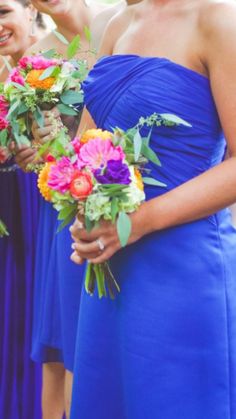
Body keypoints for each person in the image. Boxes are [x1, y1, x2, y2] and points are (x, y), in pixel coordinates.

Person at [70, 0, 236, 417]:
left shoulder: (217, 18)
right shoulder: (116, 24)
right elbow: (87, 146)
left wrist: (138, 222)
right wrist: (79, 203)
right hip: (110, 270)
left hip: (182, 270)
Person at [15, 1, 128, 417]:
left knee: (102, 334)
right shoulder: (39, 53)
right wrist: (33, 149)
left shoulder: (116, 23)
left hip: (119, 192)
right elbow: (42, 142)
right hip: (66, 202)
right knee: (63, 337)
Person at [0, 2, 47, 418]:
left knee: (38, 312)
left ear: (31, 10)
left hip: (43, 209)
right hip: (6, 214)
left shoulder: (57, 64)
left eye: (4, 11)